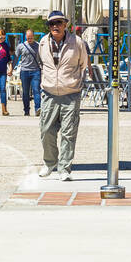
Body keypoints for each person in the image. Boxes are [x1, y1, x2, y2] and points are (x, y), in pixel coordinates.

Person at [37, 10, 91, 180]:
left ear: (65, 24)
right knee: (46, 131)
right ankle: (49, 162)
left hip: (71, 94)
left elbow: (83, 64)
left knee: (68, 133)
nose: (55, 26)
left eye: (59, 23)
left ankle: (64, 168)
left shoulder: (77, 42)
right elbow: (41, 63)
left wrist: (74, 82)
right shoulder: (43, 43)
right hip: (49, 93)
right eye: (52, 24)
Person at [17, 30, 42, 117]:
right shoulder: (21, 46)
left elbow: (42, 58)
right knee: (25, 92)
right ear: (26, 37)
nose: (30, 39)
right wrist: (11, 68)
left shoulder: (38, 46)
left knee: (36, 91)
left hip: (35, 71)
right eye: (28, 38)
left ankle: (38, 109)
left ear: (33, 36)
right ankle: (26, 110)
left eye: (31, 37)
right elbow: (16, 58)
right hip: (24, 71)